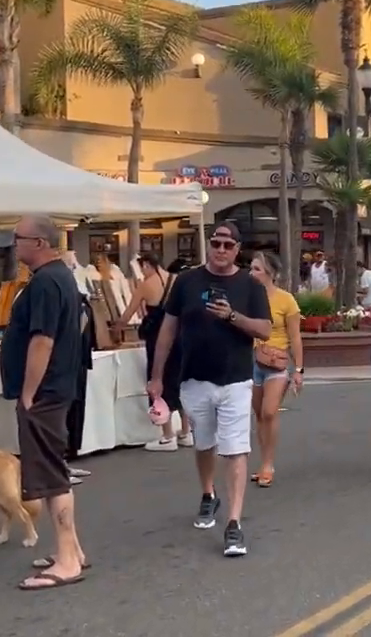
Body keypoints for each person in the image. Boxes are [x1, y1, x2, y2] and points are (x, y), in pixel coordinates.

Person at [148, 221, 271, 557]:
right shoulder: (187, 281)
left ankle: (234, 524)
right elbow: (168, 330)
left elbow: (264, 330)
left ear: (238, 249)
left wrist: (232, 316)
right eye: (215, 243)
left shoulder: (250, 284)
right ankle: (208, 494)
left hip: (235, 379)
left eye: (227, 245)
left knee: (235, 448)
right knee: (205, 443)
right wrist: (157, 376)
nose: (220, 250)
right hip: (194, 378)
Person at [1, 216, 88, 590]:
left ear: (38, 243)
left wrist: (29, 392)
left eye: (18, 238)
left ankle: (68, 559)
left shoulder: (48, 282)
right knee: (54, 470)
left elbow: (43, 340)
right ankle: (73, 551)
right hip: (55, 388)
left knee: (51, 474)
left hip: (46, 391)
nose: (14, 244)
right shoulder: (57, 278)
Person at [124, 253, 191, 452]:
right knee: (180, 381)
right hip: (179, 336)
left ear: (147, 264)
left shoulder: (146, 285)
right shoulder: (176, 280)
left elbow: (129, 311)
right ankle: (186, 432)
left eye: (141, 268)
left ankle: (167, 435)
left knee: (159, 381)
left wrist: (116, 327)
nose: (141, 273)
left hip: (157, 338)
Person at [248, 252, 303, 488]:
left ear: (270, 273)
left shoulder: (286, 300)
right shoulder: (247, 298)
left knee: (270, 411)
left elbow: (295, 336)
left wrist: (299, 369)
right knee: (259, 414)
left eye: (257, 269)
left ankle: (269, 464)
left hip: (278, 361)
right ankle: (263, 463)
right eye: (251, 268)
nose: (251, 273)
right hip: (252, 360)